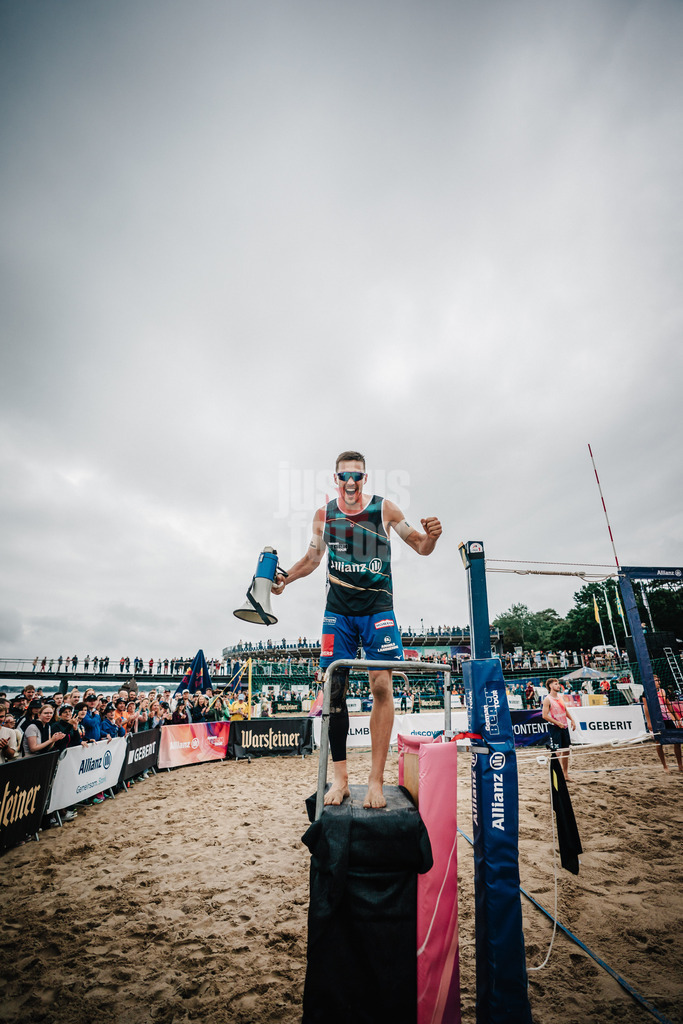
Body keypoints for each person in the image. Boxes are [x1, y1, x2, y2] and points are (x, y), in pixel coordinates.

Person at [272, 449, 441, 808]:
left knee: (381, 685)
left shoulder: (385, 509)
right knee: (334, 692)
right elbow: (312, 559)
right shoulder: (324, 515)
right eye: (344, 476)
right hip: (339, 612)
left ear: (365, 479)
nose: (350, 482)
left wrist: (433, 537)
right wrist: (285, 578)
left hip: (378, 608)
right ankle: (341, 779)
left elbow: (421, 547)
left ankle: (376, 781)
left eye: (357, 476)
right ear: (336, 480)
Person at [642, 676, 683, 773]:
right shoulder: (646, 693)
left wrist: (677, 718)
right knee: (659, 743)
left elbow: (668, 705)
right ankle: (665, 766)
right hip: (657, 720)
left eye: (658, 680)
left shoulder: (662, 691)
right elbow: (646, 708)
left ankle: (680, 765)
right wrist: (649, 722)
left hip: (667, 718)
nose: (658, 682)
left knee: (677, 741)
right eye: (656, 680)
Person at [542, 678, 577, 781]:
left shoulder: (560, 697)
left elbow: (564, 710)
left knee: (566, 751)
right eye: (556, 684)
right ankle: (556, 775)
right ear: (550, 686)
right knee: (556, 752)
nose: (558, 686)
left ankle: (565, 775)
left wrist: (572, 720)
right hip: (555, 727)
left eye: (558, 684)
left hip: (564, 726)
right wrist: (557, 723)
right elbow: (544, 715)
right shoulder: (547, 699)